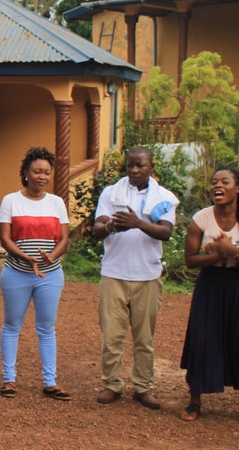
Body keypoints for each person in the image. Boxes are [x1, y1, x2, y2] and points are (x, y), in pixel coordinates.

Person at [92, 145, 178, 409]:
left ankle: (143, 386)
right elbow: (97, 229)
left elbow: (166, 232)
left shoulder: (164, 197)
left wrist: (138, 223)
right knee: (112, 335)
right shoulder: (112, 192)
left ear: (151, 166)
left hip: (147, 275)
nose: (134, 170)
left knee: (144, 337)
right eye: (130, 165)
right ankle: (112, 384)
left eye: (140, 165)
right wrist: (111, 226)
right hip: (114, 273)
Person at [0, 146, 71, 400]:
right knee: (12, 325)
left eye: (47, 172)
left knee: (47, 328)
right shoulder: (11, 200)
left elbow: (63, 239)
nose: (42, 176)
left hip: (50, 275)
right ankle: (9, 379)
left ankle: (50, 381)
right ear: (26, 173)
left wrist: (52, 256)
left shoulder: (57, 202)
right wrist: (27, 259)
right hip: (16, 273)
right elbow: (5, 240)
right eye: (37, 171)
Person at [179, 168, 239, 421]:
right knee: (203, 339)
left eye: (225, 181)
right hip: (210, 284)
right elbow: (190, 260)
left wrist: (232, 251)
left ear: (237, 188)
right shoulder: (201, 218)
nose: (218, 185)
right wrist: (218, 254)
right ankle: (194, 402)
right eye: (214, 182)